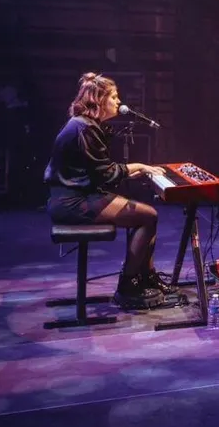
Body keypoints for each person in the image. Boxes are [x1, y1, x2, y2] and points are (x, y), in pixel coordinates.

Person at [43, 73, 176, 309]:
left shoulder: (85, 125)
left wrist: (131, 172)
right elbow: (105, 173)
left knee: (145, 215)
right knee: (148, 216)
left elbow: (98, 172)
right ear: (99, 100)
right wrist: (139, 166)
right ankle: (128, 284)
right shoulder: (85, 128)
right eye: (114, 97)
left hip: (75, 195)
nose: (119, 101)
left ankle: (146, 277)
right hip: (73, 202)